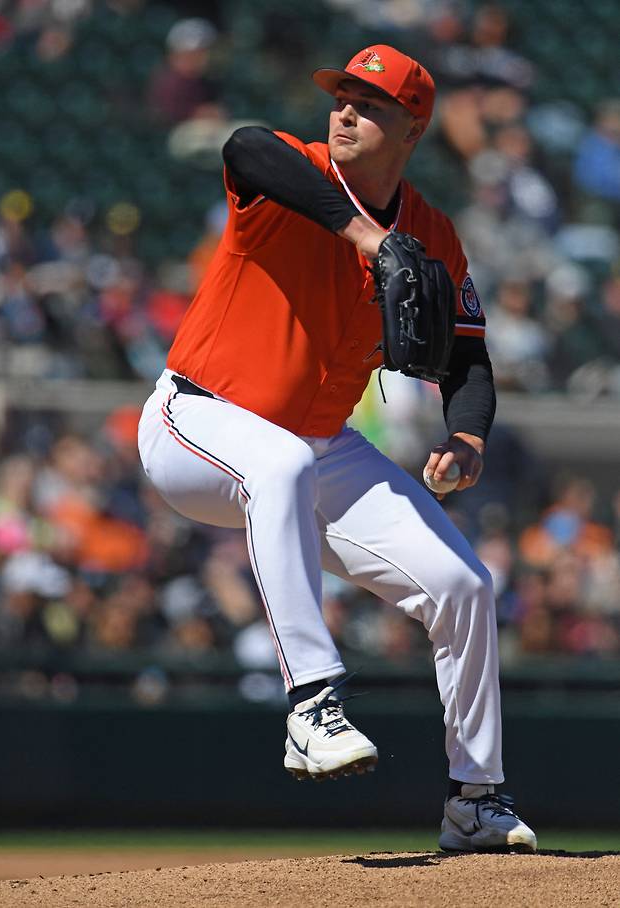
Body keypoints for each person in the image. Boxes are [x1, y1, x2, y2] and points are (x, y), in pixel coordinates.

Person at [138, 44, 537, 853]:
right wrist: (365, 237)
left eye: (371, 104)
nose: (346, 111)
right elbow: (243, 145)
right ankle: (311, 704)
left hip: (321, 449)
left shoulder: (430, 232)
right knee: (277, 463)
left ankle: (476, 797)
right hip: (196, 421)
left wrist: (465, 434)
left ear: (412, 129)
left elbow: (466, 358)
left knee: (462, 585)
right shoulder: (295, 172)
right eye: (342, 97)